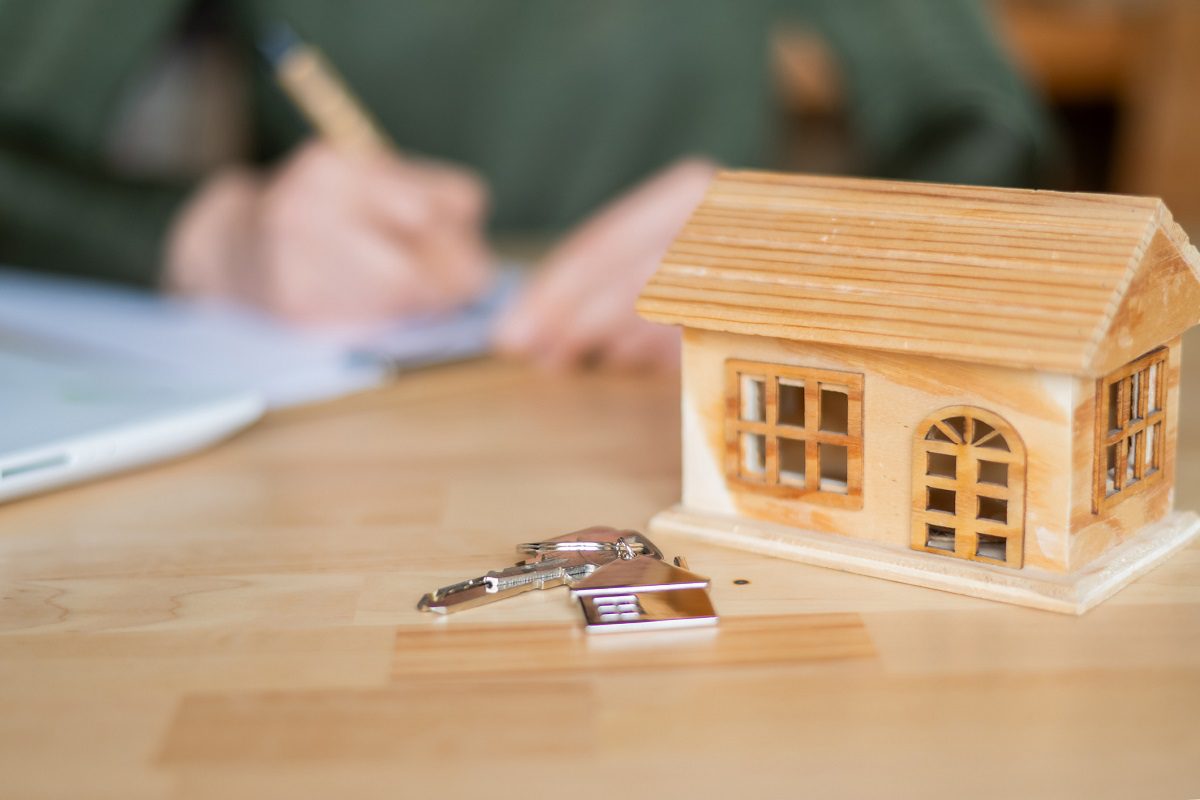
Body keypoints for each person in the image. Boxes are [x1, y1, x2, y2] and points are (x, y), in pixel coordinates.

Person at [0, 1, 1054, 370]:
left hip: (681, 387)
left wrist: (803, 242)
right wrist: (202, 236)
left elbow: (993, 126)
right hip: (331, 411)